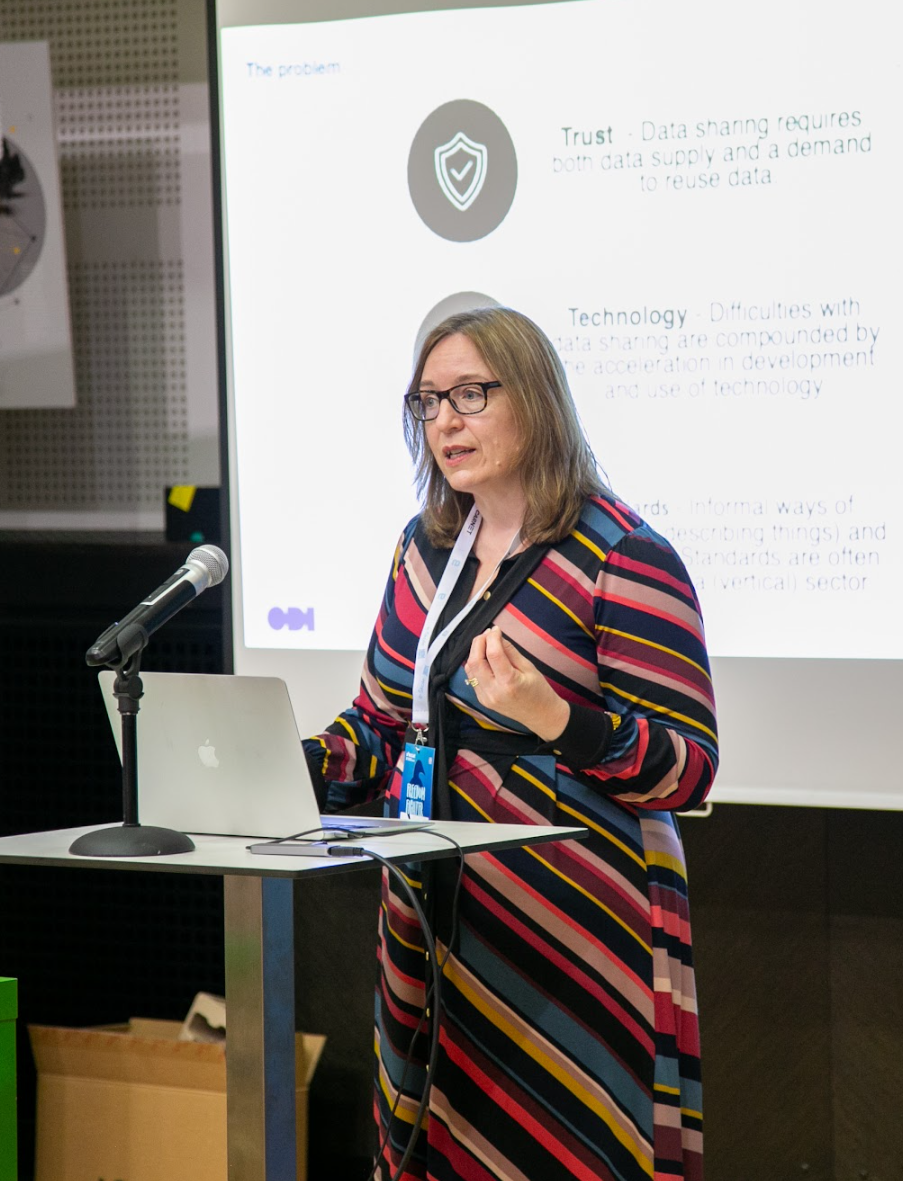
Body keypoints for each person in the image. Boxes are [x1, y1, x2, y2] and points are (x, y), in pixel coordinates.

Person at [305, 305, 717, 1181]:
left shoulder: (621, 553)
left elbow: (688, 766)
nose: (445, 421)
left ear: (533, 399)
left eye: (470, 394)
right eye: (428, 401)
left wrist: (556, 717)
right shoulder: (424, 550)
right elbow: (381, 724)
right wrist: (290, 762)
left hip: (570, 931)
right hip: (433, 911)